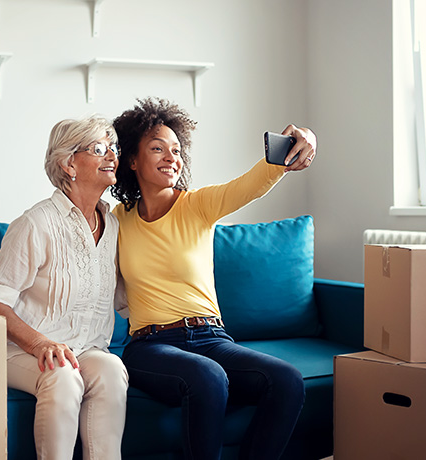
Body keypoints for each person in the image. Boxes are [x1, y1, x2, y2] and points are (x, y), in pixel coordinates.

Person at [110, 97, 317, 460]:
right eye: (157, 148)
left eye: (176, 150)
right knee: (206, 377)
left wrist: (303, 141)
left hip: (211, 337)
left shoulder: (198, 206)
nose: (171, 158)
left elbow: (249, 185)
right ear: (131, 159)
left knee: (286, 380)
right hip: (151, 345)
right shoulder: (117, 218)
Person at [0, 115, 128, 460]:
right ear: (69, 163)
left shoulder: (114, 226)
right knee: (62, 374)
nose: (113, 157)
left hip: (86, 349)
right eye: (100, 149)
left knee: (111, 369)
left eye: (114, 149)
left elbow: (124, 300)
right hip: (22, 350)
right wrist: (40, 342)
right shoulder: (37, 223)